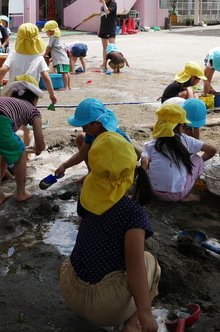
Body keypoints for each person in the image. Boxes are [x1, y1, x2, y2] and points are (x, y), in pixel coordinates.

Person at [59, 131, 159, 332]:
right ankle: (132, 322)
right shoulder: (133, 213)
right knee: (148, 262)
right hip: (103, 307)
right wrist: (145, 313)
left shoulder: (87, 194)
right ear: (133, 171)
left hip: (71, 290)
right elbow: (134, 266)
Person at [141, 103, 217, 202]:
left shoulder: (152, 144)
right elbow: (212, 150)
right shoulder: (186, 140)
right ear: (181, 126)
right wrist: (193, 163)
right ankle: (187, 196)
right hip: (177, 195)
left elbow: (144, 164)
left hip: (154, 192)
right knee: (197, 159)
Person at [54, 98, 134, 183]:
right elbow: (82, 153)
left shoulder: (116, 138)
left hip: (117, 172)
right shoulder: (92, 133)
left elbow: (135, 158)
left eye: (85, 127)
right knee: (80, 138)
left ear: (97, 124)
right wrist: (64, 166)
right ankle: (91, 172)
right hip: (103, 165)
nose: (84, 130)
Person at [0, 23, 58, 106]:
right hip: (31, 91)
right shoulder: (38, 58)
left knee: (13, 110)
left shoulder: (13, 55)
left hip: (14, 90)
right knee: (29, 111)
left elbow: (3, 69)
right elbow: (46, 76)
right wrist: (52, 94)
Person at [42, 20, 71, 90]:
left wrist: (45, 54)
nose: (46, 33)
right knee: (67, 72)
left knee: (63, 73)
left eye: (47, 31)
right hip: (65, 58)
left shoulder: (53, 37)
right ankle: (69, 86)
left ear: (52, 31)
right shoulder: (57, 38)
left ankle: (65, 87)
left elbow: (49, 47)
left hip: (60, 59)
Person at [98, 0, 118, 71]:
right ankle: (104, 63)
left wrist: (103, 3)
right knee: (104, 47)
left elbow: (108, 12)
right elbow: (102, 17)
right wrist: (98, 30)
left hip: (110, 28)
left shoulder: (113, 4)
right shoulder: (103, 6)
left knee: (112, 47)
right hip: (103, 28)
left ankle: (115, 63)